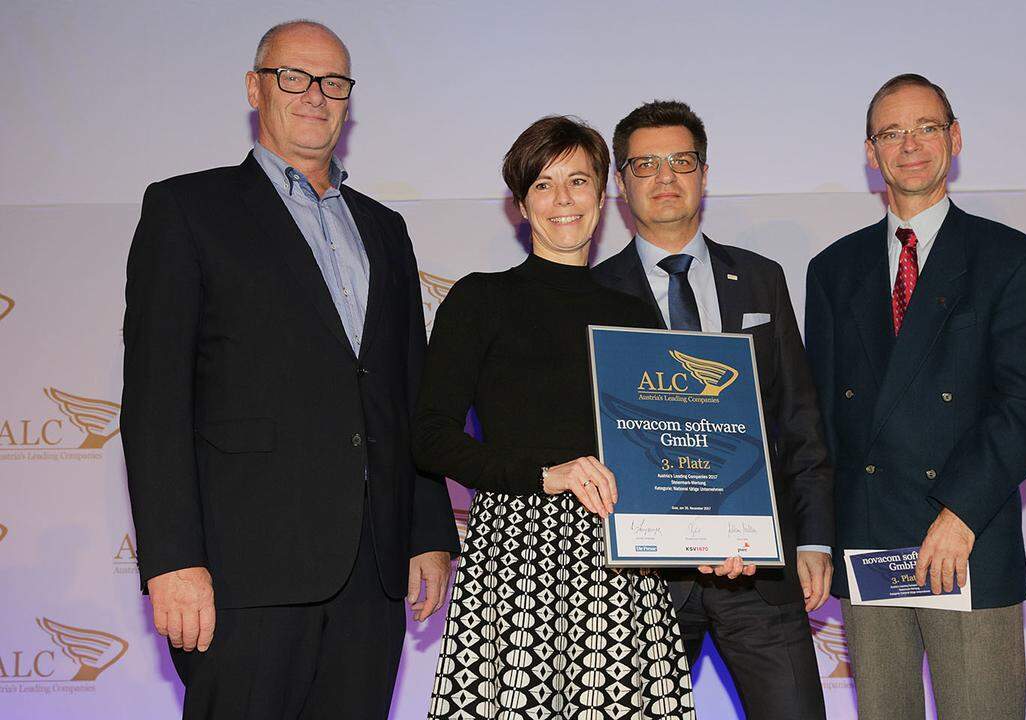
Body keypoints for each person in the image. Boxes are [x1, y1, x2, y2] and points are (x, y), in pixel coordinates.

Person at [121, 20, 458, 718]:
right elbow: (156, 402)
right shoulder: (188, 209)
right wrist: (173, 561)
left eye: (334, 82)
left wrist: (426, 533)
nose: (315, 95)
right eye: (294, 77)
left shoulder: (385, 228)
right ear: (256, 87)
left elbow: (404, 390)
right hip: (246, 573)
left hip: (372, 570)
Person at [416, 115, 696, 719]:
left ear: (604, 195)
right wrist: (547, 475)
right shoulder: (479, 300)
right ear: (521, 204)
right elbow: (430, 437)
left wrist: (706, 536)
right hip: (516, 561)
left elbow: (668, 453)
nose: (563, 199)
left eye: (578, 180)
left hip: (622, 565)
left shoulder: (636, 315)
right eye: (543, 185)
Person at [804, 74, 1026, 720]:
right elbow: (823, 422)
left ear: (955, 138)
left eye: (925, 128)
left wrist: (961, 512)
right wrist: (815, 538)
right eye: (892, 133)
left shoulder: (1013, 259)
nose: (909, 145)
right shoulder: (832, 270)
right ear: (871, 152)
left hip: (966, 541)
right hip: (870, 544)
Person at [592, 100, 833, 720]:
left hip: (759, 572)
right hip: (638, 584)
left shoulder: (760, 280)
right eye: (645, 165)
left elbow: (798, 420)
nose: (665, 178)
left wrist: (814, 542)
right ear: (621, 183)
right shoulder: (591, 296)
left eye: (681, 161)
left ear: (704, 172)